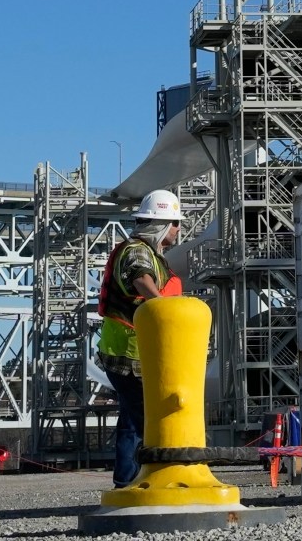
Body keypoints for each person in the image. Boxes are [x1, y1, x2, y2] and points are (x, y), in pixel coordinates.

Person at [95, 189, 185, 488]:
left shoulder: (152, 255)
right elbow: (139, 277)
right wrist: (162, 308)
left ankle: (131, 478)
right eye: (175, 223)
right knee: (140, 418)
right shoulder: (137, 251)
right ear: (161, 224)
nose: (178, 229)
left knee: (135, 416)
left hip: (135, 352)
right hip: (127, 352)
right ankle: (131, 481)